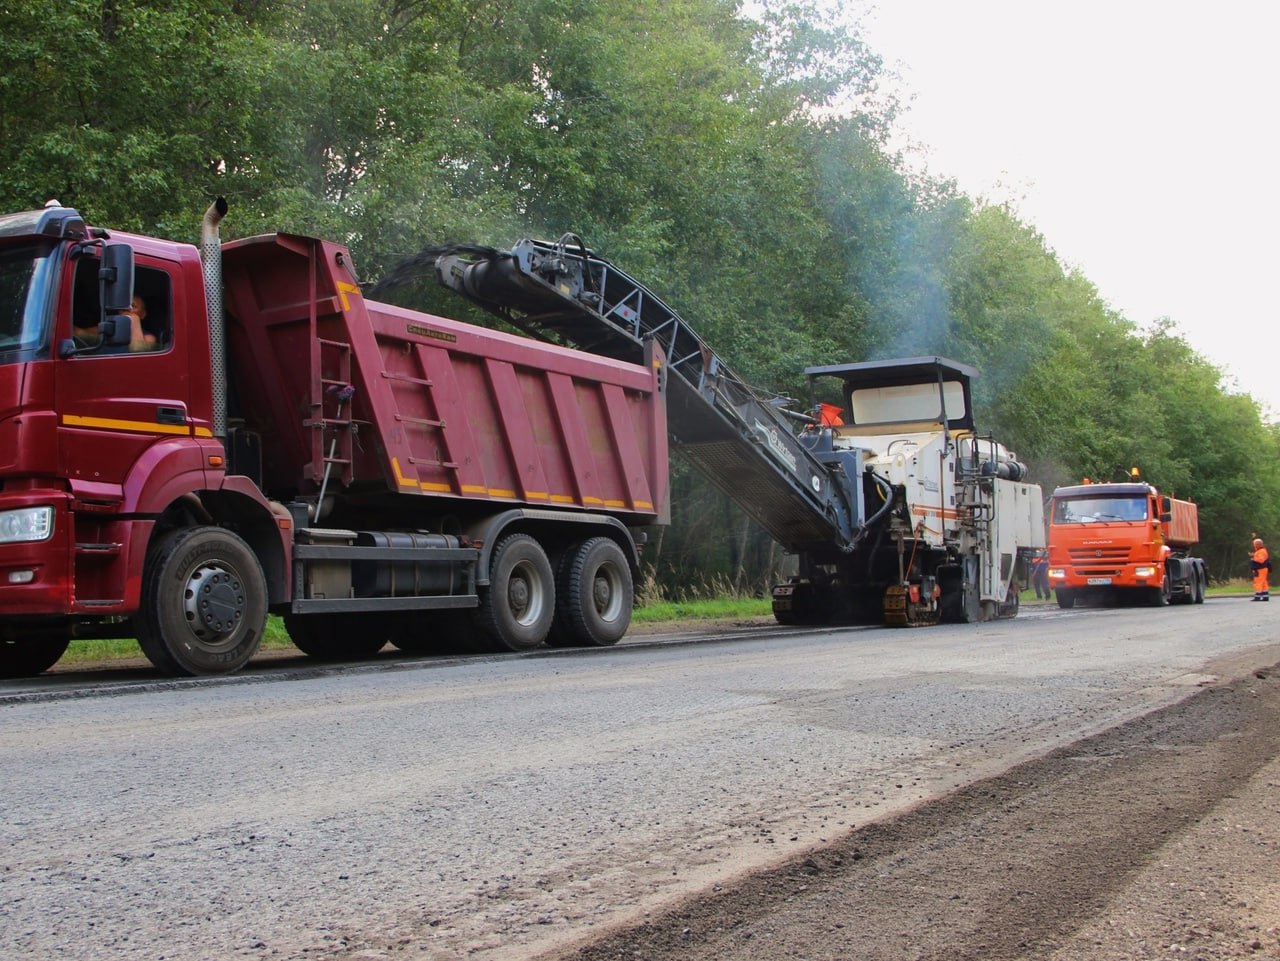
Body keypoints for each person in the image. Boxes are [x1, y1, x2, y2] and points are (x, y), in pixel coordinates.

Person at [72, 295, 158, 352]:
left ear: (143, 314)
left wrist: (134, 320)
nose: (127, 308)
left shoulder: (148, 337)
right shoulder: (107, 327)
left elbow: (138, 352)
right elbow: (79, 333)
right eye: (124, 306)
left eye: (133, 306)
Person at [1249, 536, 1270, 602]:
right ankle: (1265, 596)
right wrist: (1254, 556)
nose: (1254, 546)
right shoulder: (1262, 551)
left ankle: (1257, 597)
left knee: (1258, 582)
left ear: (1259, 544)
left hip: (1260, 569)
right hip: (1263, 569)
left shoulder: (1260, 551)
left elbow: (1261, 560)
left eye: (1255, 544)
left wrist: (1253, 558)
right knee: (1263, 582)